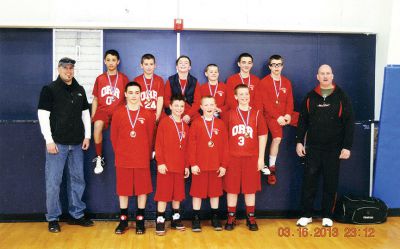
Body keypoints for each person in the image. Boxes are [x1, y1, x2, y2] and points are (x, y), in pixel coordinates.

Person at [38, 57, 94, 233]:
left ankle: (76, 214)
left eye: (71, 68)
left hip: (77, 143)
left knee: (78, 180)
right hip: (57, 144)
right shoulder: (49, 89)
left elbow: (86, 114)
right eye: (65, 68)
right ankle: (53, 218)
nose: (68, 71)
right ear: (58, 69)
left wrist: (87, 136)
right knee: (54, 182)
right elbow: (43, 115)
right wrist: (48, 139)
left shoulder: (80, 90)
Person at [295, 64, 354, 227]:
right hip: (313, 148)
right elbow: (302, 121)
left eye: (328, 73)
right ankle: (306, 215)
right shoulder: (310, 97)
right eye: (322, 73)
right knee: (309, 182)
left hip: (334, 149)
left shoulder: (341, 96)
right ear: (317, 76)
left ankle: (327, 215)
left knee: (330, 182)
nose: (325, 76)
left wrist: (347, 146)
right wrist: (299, 141)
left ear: (332, 76)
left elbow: (349, 123)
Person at [110, 82, 155, 235]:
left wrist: (146, 154)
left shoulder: (148, 114)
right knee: (123, 190)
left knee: (142, 189)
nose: (134, 95)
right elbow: (114, 136)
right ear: (125, 94)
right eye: (131, 92)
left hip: (142, 158)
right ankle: (123, 220)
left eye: (137, 92)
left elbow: (150, 137)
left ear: (140, 94)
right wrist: (121, 152)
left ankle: (140, 220)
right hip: (123, 158)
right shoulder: (118, 113)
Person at [223, 84, 268, 231]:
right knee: (232, 189)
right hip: (233, 157)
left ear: (250, 96)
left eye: (246, 94)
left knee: (250, 189)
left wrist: (261, 158)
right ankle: (231, 217)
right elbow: (224, 138)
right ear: (235, 97)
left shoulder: (256, 114)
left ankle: (251, 217)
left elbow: (262, 136)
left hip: (251, 157)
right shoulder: (229, 114)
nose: (244, 97)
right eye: (241, 94)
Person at [188, 96, 229, 232]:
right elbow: (191, 145)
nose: (209, 107)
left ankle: (215, 217)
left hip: (216, 165)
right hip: (199, 165)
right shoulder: (196, 123)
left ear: (215, 106)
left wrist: (223, 165)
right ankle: (196, 218)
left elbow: (225, 146)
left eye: (212, 104)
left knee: (215, 193)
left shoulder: (220, 124)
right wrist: (193, 164)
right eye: (206, 105)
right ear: (201, 107)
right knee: (197, 193)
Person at [154, 94, 190, 236]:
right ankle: (160, 219)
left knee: (177, 194)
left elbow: (187, 148)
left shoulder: (186, 126)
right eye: (176, 106)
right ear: (170, 106)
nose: (179, 108)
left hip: (180, 166)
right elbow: (159, 145)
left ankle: (176, 219)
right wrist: (161, 162)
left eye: (182, 106)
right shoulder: (164, 122)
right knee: (163, 194)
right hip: (166, 166)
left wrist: (186, 165)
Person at [257, 55, 294, 185]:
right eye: (274, 64)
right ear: (269, 67)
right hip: (270, 116)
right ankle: (272, 168)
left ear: (282, 66)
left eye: (279, 64)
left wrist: (288, 115)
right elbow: (266, 103)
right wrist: (278, 117)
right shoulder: (264, 82)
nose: (276, 67)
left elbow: (290, 101)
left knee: (305, 119)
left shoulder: (287, 82)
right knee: (277, 138)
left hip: (284, 115)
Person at [91, 49, 129, 174]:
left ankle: (124, 158)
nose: (111, 63)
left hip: (119, 110)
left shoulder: (123, 78)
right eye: (108, 60)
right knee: (97, 126)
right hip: (103, 110)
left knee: (124, 132)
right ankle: (99, 157)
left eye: (113, 60)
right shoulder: (100, 78)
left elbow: (128, 97)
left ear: (118, 62)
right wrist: (93, 114)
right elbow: (95, 99)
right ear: (104, 62)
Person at [164, 55, 201, 123]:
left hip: (190, 112)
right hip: (174, 111)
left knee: (199, 122)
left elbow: (197, 103)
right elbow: (166, 101)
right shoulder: (170, 80)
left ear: (189, 67)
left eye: (186, 63)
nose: (183, 64)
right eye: (180, 63)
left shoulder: (195, 81)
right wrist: (176, 113)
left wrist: (188, 115)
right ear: (177, 67)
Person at [133, 53, 165, 123]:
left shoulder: (159, 80)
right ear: (141, 65)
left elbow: (160, 99)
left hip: (157, 112)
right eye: (146, 64)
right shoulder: (137, 80)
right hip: (142, 112)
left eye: (151, 64)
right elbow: (137, 99)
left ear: (155, 65)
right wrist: (145, 114)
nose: (149, 67)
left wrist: (157, 115)